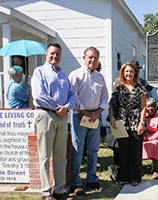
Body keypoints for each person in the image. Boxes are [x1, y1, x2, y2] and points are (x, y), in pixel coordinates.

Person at [31, 43, 75, 200]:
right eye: (52, 54)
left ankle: (59, 189)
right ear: (46, 55)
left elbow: (72, 95)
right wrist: (59, 108)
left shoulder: (63, 76)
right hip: (46, 116)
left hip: (62, 118)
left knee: (60, 155)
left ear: (60, 56)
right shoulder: (39, 72)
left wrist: (67, 107)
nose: (54, 56)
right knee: (44, 155)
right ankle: (45, 191)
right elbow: (39, 95)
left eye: (57, 54)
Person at [68, 47, 108, 195]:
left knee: (93, 150)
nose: (92, 60)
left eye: (95, 58)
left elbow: (105, 97)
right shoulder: (75, 75)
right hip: (80, 116)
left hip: (95, 117)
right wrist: (85, 112)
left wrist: (98, 112)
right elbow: (73, 97)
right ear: (84, 58)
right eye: (90, 57)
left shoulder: (100, 78)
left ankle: (92, 179)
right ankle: (76, 183)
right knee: (78, 150)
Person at [109, 61, 147, 186]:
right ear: (123, 73)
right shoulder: (118, 87)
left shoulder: (140, 87)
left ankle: (135, 177)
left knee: (135, 151)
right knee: (123, 151)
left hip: (136, 121)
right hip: (121, 122)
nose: (129, 73)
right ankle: (123, 177)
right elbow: (111, 104)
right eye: (126, 71)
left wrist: (142, 122)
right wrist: (111, 117)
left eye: (131, 71)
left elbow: (143, 107)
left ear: (135, 72)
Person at [142, 97, 158, 179]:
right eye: (148, 107)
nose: (150, 109)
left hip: (157, 138)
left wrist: (148, 138)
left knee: (153, 145)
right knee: (137, 144)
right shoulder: (143, 117)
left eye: (152, 107)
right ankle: (139, 168)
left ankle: (155, 169)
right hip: (144, 138)